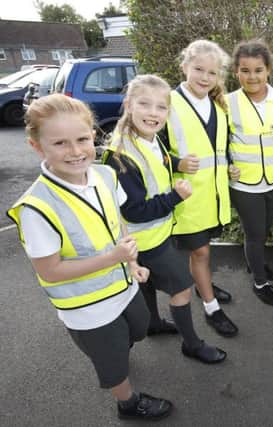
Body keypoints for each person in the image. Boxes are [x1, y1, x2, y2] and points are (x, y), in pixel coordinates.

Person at [7, 94, 173, 420]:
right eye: (60, 143)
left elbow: (118, 220)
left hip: (124, 287)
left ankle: (114, 350)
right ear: (38, 147)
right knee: (114, 367)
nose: (75, 151)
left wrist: (132, 262)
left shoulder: (105, 175)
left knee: (138, 330)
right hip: (88, 309)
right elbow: (51, 271)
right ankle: (128, 403)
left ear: (93, 136)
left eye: (82, 139)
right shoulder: (35, 208)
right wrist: (114, 257)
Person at [103, 74, 230, 366]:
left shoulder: (148, 139)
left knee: (147, 284)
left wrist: (176, 163)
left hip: (149, 237)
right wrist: (175, 197)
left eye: (161, 107)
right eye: (144, 104)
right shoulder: (121, 156)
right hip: (146, 240)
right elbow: (133, 210)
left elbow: (159, 161)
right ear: (128, 105)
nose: (153, 113)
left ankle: (153, 324)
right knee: (182, 287)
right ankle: (192, 344)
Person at [162, 39, 238, 337]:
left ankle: (202, 282)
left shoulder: (218, 105)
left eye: (213, 72)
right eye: (199, 70)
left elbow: (220, 147)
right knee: (202, 252)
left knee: (202, 254)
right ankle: (211, 307)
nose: (205, 77)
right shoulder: (167, 102)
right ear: (184, 67)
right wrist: (176, 163)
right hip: (186, 199)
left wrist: (229, 163)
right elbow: (151, 149)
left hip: (213, 197)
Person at [226, 40, 273, 306]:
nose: (252, 77)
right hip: (245, 184)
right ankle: (260, 281)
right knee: (255, 233)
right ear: (236, 72)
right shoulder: (227, 103)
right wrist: (226, 165)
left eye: (258, 70)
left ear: (268, 69)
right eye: (245, 70)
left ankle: (255, 262)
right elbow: (217, 145)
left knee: (263, 230)